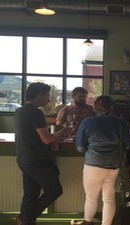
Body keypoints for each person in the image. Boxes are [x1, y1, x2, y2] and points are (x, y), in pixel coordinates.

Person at [14, 82, 70, 225]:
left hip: (23, 159)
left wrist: (52, 139)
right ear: (39, 95)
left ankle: (25, 220)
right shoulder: (36, 112)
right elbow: (46, 139)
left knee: (30, 195)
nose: (49, 98)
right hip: (37, 160)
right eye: (47, 95)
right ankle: (27, 219)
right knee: (54, 190)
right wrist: (60, 134)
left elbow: (33, 136)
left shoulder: (20, 111)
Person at [71, 95, 130, 225]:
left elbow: (79, 147)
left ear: (95, 107)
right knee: (109, 198)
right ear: (112, 107)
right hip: (114, 165)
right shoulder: (121, 123)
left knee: (91, 197)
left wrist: (89, 153)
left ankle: (88, 222)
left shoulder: (87, 122)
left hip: (93, 164)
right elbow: (129, 145)